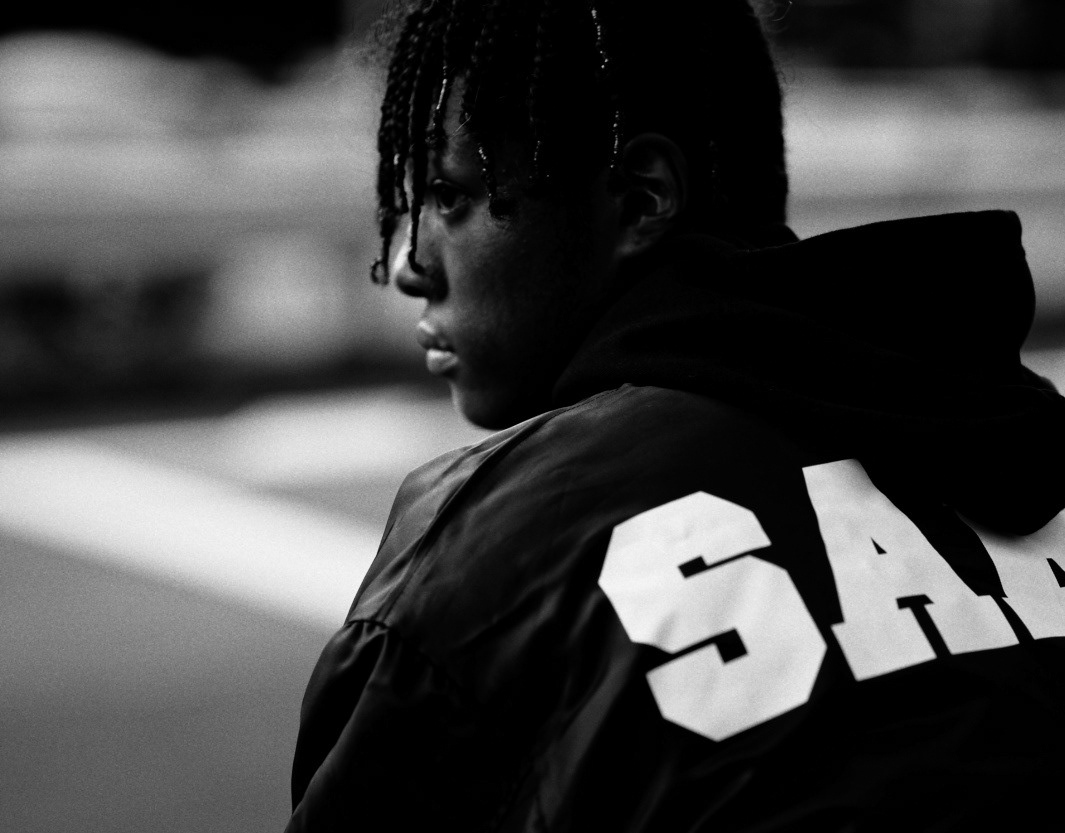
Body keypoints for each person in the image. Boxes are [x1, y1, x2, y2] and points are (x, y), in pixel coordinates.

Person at [286, 1, 1065, 830]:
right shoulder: (1021, 453)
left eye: (447, 194)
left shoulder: (488, 540)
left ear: (639, 197)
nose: (408, 264)